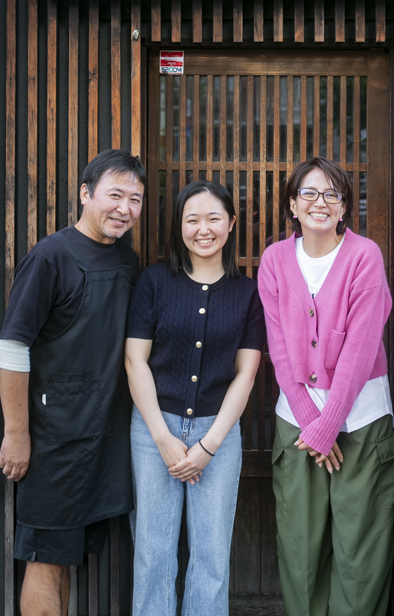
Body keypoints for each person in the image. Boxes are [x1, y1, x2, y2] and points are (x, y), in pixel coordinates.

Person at [0, 149, 146, 616]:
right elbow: (12, 347)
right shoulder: (50, 257)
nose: (125, 208)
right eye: (115, 195)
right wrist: (17, 433)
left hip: (102, 436)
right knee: (46, 562)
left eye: (135, 199)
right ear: (85, 193)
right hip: (52, 441)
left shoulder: (127, 259)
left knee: (67, 561)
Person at [258, 156, 394, 616]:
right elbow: (279, 349)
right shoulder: (275, 260)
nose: (320, 202)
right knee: (300, 550)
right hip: (297, 424)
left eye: (332, 194)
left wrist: (329, 424)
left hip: (361, 422)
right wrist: (312, 423)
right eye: (309, 193)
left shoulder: (364, 255)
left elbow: (361, 349)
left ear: (344, 207)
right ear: (292, 204)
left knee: (360, 553)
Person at [125, 180, 265, 616]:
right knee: (153, 551)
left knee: (211, 555)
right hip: (154, 428)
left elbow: (246, 374)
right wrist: (163, 438)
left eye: (213, 218)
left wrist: (209, 445)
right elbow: (134, 361)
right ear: (179, 226)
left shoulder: (248, 292)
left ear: (231, 223)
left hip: (218, 432)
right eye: (192, 220)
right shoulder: (154, 281)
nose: (203, 229)